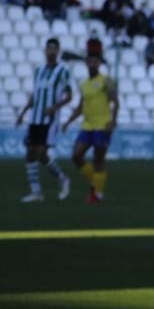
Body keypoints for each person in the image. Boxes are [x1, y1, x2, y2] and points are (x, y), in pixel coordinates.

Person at [15, 38, 73, 202]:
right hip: (35, 118)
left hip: (49, 119)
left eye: (55, 49)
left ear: (58, 52)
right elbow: (35, 95)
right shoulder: (38, 70)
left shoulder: (63, 71)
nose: (51, 51)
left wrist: (54, 107)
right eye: (49, 48)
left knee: (40, 153)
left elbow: (70, 96)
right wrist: (23, 112)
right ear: (45, 51)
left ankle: (62, 179)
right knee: (30, 154)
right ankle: (37, 192)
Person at [62, 54, 119, 203]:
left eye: (95, 61)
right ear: (86, 63)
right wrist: (68, 121)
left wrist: (113, 121)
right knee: (76, 155)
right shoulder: (84, 84)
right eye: (90, 61)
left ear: (99, 63)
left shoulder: (106, 81)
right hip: (87, 126)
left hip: (102, 125)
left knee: (98, 159)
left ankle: (97, 194)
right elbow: (81, 107)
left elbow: (115, 102)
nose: (93, 64)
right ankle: (95, 183)